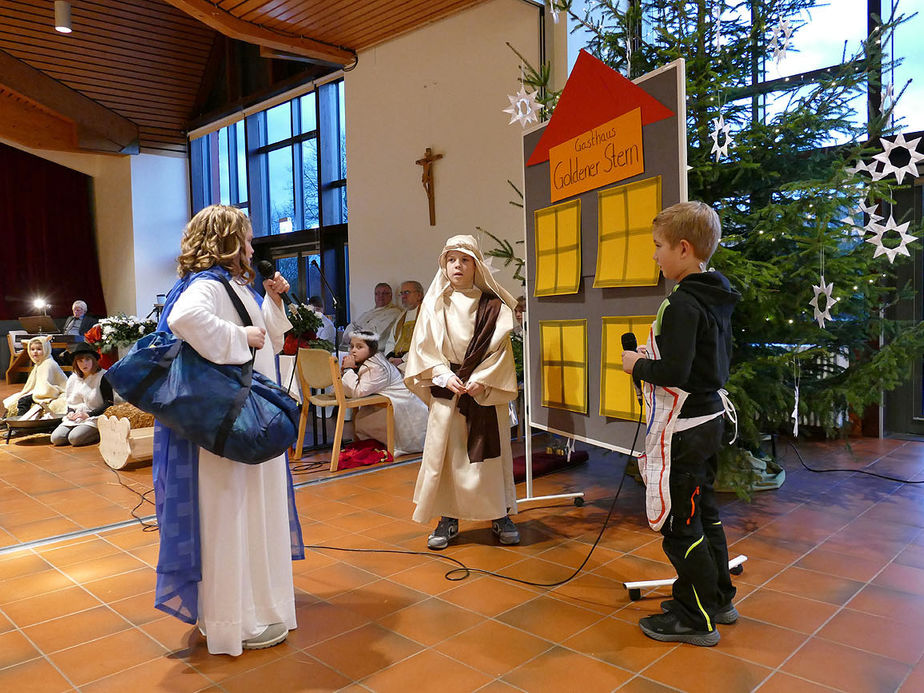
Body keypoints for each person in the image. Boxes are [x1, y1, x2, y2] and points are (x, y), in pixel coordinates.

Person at [153, 204, 303, 657]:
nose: (253, 246)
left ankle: (258, 604)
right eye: (247, 238)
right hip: (229, 424)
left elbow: (271, 340)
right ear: (227, 242)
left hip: (248, 417)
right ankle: (230, 620)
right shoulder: (205, 285)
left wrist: (273, 302)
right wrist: (241, 338)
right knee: (231, 514)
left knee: (253, 511)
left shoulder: (234, 285)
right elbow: (185, 320)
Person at [621, 201, 741, 647]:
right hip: (709, 421)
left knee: (679, 522)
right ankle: (718, 597)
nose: (655, 256)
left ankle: (696, 618)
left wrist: (635, 364)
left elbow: (673, 372)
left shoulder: (681, 304)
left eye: (658, 247)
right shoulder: (717, 294)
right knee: (705, 513)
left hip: (685, 428)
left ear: (684, 249)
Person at [404, 235, 520, 550]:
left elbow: (501, 352)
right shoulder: (435, 304)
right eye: (452, 259)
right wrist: (442, 374)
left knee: (489, 460)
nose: (457, 265)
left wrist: (483, 378)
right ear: (444, 264)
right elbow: (423, 349)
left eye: (464, 259)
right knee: (449, 459)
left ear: (475, 265)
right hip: (449, 390)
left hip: (482, 391)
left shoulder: (492, 305)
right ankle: (448, 517)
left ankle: (499, 514)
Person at [341, 330, 428, 456]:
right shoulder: (370, 362)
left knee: (365, 420)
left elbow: (358, 391)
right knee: (363, 419)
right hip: (388, 401)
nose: (353, 350)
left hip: (403, 405)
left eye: (359, 347)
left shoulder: (377, 367)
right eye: (352, 346)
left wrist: (348, 369)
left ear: (371, 349)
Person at [50, 342, 113, 446]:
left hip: (95, 416)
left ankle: (99, 433)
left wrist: (88, 414)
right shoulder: (73, 378)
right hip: (76, 417)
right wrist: (70, 412)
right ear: (76, 363)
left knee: (74, 438)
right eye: (80, 361)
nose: (84, 364)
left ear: (93, 360)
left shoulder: (102, 376)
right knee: (56, 438)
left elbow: (109, 403)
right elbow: (70, 402)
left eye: (87, 360)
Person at [2, 336, 67, 419]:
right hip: (41, 390)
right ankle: (6, 419)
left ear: (46, 349)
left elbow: (47, 386)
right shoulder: (39, 364)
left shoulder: (48, 364)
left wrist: (36, 394)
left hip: (50, 392)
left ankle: (21, 419)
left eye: (39, 349)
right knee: (16, 398)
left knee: (23, 401)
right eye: (32, 349)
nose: (35, 352)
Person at [340, 283, 402, 347]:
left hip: (374, 352)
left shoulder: (393, 313)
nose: (381, 296)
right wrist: (349, 336)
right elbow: (353, 325)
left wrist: (352, 336)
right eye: (377, 293)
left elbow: (375, 333)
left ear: (391, 296)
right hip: (353, 347)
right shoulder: (367, 313)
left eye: (385, 293)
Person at [384, 280, 424, 372]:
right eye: (401, 293)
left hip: (415, 361)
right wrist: (390, 357)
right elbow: (391, 341)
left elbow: (425, 342)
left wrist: (403, 359)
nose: (403, 296)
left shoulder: (427, 313)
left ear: (419, 295)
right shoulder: (402, 316)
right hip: (397, 360)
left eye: (407, 292)